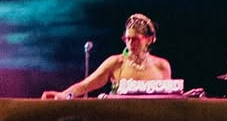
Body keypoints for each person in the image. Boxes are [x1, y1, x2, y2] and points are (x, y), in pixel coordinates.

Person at [41, 13, 170, 98]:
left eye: (135, 39)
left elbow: (169, 99)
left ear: (149, 39)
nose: (130, 43)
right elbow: (85, 85)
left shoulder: (161, 66)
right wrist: (63, 94)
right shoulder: (116, 62)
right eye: (127, 38)